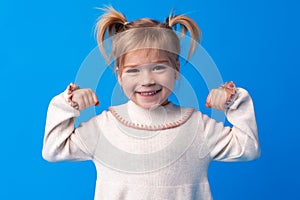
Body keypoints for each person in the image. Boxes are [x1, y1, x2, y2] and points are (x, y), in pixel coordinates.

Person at [42, 6, 260, 200]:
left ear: (176, 69)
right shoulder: (103, 128)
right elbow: (54, 150)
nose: (147, 81)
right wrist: (68, 103)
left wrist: (234, 101)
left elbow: (248, 148)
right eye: (133, 70)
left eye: (158, 67)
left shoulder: (198, 127)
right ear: (119, 76)